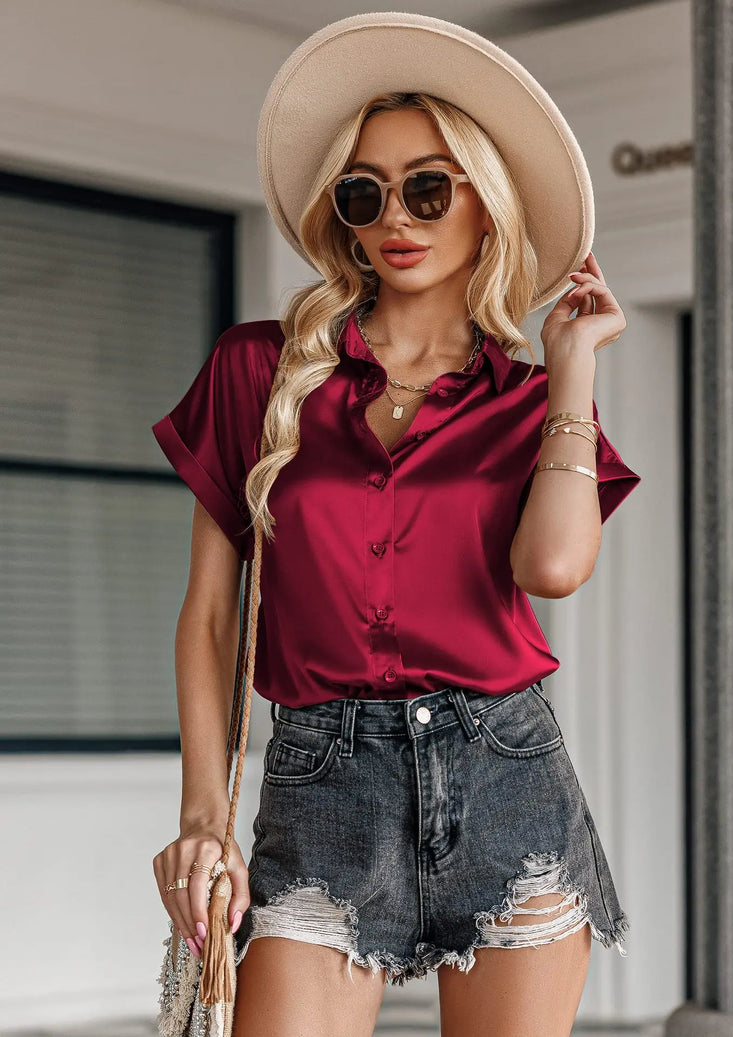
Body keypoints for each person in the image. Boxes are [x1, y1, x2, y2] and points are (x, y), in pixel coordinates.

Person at [151, 12, 641, 1036]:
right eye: (363, 193)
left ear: (482, 203)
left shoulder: (526, 400)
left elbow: (551, 567)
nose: (394, 218)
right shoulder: (259, 371)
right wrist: (204, 819)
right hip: (320, 785)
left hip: (505, 780)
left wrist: (575, 367)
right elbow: (208, 615)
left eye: (427, 186)